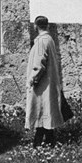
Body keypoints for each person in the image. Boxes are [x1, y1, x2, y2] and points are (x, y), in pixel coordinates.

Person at [25, 15, 64, 148]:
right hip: (48, 82)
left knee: (41, 113)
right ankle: (48, 143)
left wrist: (32, 79)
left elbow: (39, 65)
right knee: (46, 114)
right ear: (47, 26)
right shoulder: (49, 40)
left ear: (35, 26)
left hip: (42, 84)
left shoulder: (41, 42)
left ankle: (40, 144)